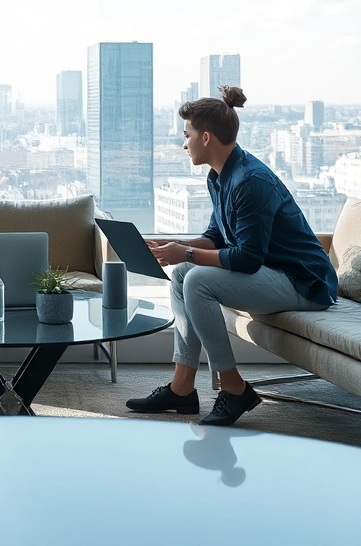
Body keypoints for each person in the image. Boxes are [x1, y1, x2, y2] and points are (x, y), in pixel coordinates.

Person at [126, 86, 337, 426]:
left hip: (304, 283)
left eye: (187, 135)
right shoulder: (220, 176)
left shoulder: (250, 181)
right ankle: (182, 388)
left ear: (206, 137)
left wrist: (188, 252)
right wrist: (175, 248)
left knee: (194, 278)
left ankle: (234, 389)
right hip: (274, 273)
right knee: (183, 272)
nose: (184, 144)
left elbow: (247, 259)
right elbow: (215, 237)